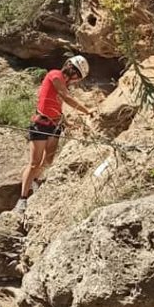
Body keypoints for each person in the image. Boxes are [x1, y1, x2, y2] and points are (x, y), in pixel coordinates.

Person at [14, 55, 92, 213]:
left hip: (54, 125)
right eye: (78, 77)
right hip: (41, 124)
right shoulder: (55, 74)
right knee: (35, 162)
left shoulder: (63, 83)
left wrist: (65, 122)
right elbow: (65, 97)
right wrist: (87, 111)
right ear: (74, 72)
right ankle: (22, 199)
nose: (76, 80)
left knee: (48, 159)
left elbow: (56, 105)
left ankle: (35, 180)